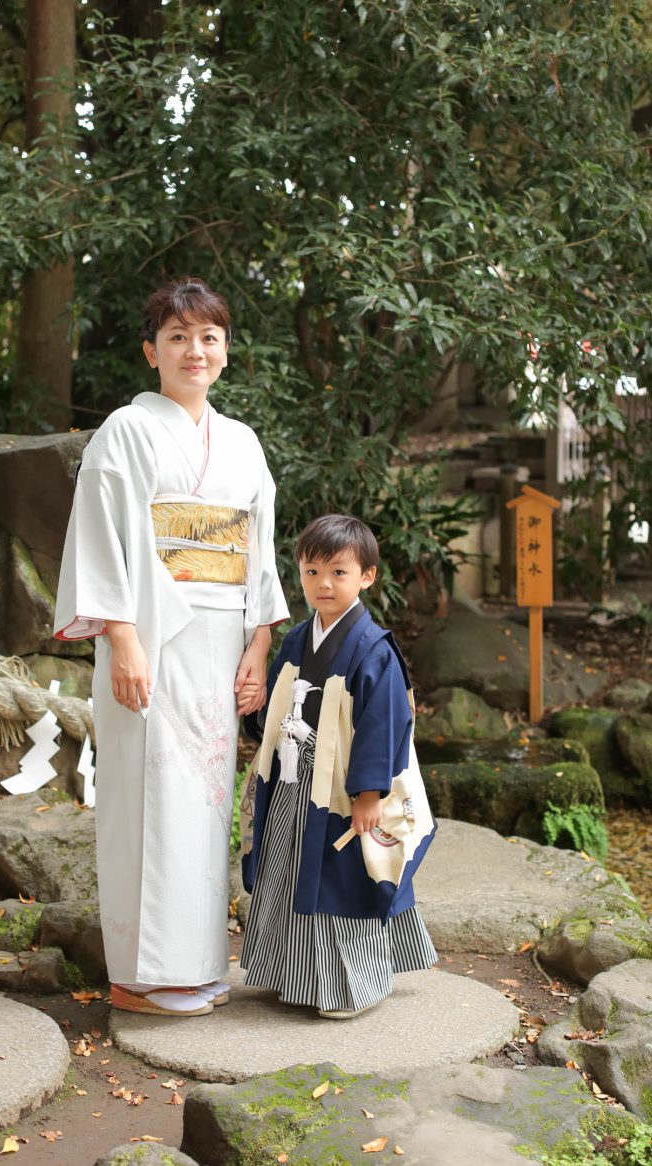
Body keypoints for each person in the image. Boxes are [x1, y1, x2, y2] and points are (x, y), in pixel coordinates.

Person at [54, 277, 288, 1016]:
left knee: (203, 802)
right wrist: (121, 640)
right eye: (179, 336)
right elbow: (101, 542)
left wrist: (258, 646)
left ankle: (192, 966)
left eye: (209, 337)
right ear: (151, 350)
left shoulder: (243, 444)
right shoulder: (125, 429)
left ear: (226, 350)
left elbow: (261, 552)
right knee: (147, 798)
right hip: (150, 636)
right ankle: (139, 976)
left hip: (221, 641)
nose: (196, 350)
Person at [240, 514, 437, 1019]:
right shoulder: (295, 640)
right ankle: (289, 973)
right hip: (291, 779)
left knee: (343, 879)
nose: (323, 584)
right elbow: (278, 706)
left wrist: (369, 794)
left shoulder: (375, 649)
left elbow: (384, 722)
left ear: (367, 576)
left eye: (338, 573)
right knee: (284, 869)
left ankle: (350, 988)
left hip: (342, 789)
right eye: (311, 572)